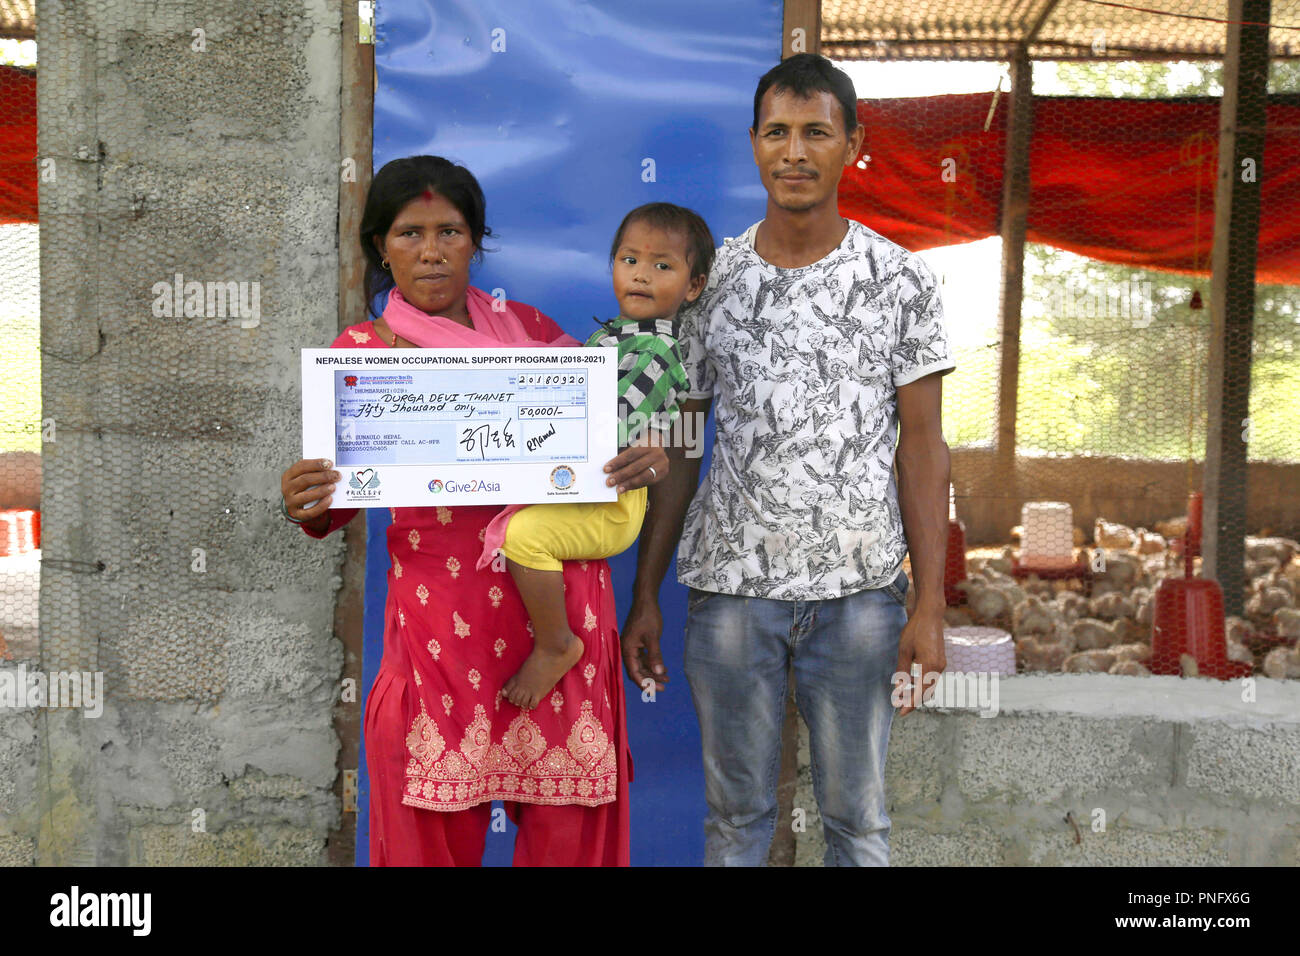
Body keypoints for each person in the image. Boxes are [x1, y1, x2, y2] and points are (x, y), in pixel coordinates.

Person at [279, 155, 669, 866]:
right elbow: (335, 507)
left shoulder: (533, 334)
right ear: (379, 247)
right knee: (434, 838)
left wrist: (644, 457)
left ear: (475, 240)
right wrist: (307, 501)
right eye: (409, 233)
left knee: (565, 839)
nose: (431, 250)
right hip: (440, 636)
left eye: (451, 231)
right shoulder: (360, 358)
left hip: (558, 627)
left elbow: (605, 437)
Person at [621, 54, 956, 866]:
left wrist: (931, 605)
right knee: (737, 821)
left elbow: (924, 447)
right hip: (731, 597)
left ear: (854, 144)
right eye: (777, 132)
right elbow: (684, 444)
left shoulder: (899, 280)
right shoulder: (709, 282)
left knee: (858, 822)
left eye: (816, 132)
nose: (795, 151)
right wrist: (645, 594)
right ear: (754, 144)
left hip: (861, 595)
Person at [476, 203, 714, 711]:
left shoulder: (654, 351)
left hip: (610, 500)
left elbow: (611, 423)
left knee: (524, 538)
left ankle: (557, 644)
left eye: (663, 265)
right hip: (587, 486)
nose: (642, 275)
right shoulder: (613, 336)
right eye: (629, 260)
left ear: (693, 287)